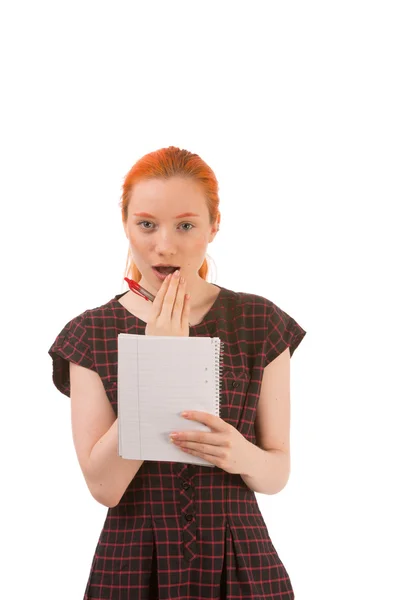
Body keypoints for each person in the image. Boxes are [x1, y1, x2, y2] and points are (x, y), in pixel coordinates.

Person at [48, 145, 307, 600]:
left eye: (185, 225)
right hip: (132, 564)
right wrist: (159, 364)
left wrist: (239, 454)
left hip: (240, 561)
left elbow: (276, 471)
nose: (163, 245)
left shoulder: (260, 322)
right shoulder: (89, 332)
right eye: (146, 224)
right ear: (125, 224)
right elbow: (105, 487)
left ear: (214, 226)